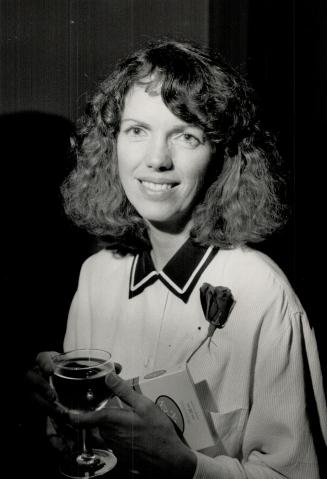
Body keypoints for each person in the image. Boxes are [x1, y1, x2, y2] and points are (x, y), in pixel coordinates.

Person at [27, 39, 326, 478]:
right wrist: (61, 417)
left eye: (186, 135)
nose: (157, 160)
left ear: (221, 155)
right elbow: (87, 447)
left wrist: (186, 466)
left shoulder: (265, 293)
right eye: (137, 130)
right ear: (111, 145)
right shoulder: (96, 275)